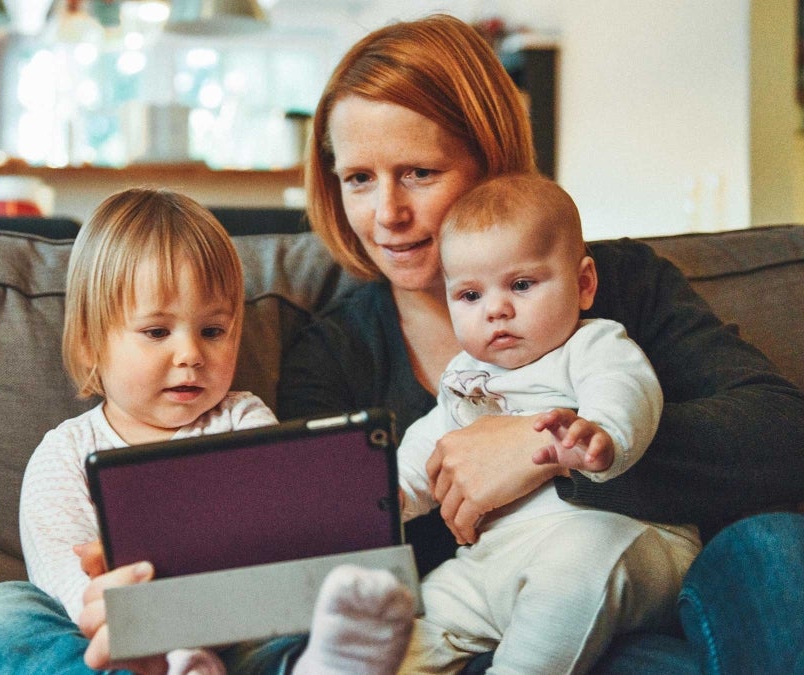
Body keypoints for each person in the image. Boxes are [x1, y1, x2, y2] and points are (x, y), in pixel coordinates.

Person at [74, 14, 804, 675]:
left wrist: (539, 453)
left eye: (420, 173)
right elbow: (331, 566)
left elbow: (781, 436)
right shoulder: (333, 353)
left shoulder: (614, 285)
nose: (387, 213)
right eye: (359, 178)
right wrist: (161, 606)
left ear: (492, 162)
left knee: (773, 545)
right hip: (449, 640)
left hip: (643, 604)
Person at [0, 187, 416, 675]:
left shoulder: (243, 421)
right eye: (157, 332)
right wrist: (141, 624)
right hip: (121, 650)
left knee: (308, 613)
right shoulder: (64, 453)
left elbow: (278, 544)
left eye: (212, 331)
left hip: (238, 634)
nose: (191, 354)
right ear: (90, 344)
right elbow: (68, 590)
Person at [393, 172, 701, 673]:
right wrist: (394, 495)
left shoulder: (592, 344)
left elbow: (626, 389)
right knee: (401, 629)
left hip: (615, 540)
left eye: (521, 284)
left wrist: (602, 434)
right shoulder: (465, 377)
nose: (496, 309)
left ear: (583, 284)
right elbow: (431, 442)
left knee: (573, 570)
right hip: (494, 562)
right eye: (469, 296)